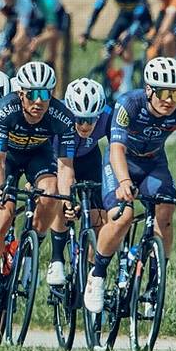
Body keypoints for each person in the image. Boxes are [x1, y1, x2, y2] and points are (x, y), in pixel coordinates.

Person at [83, 58, 176, 314]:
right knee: (122, 216)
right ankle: (97, 275)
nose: (170, 100)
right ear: (149, 89)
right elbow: (115, 147)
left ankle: (153, 282)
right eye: (163, 92)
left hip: (153, 163)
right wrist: (125, 181)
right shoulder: (128, 103)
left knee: (165, 210)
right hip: (121, 161)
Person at [0, 61, 75, 334]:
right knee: (3, 215)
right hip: (10, 160)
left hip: (38, 157)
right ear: (20, 94)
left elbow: (65, 166)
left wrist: (67, 200)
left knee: (52, 192)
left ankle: (31, 251)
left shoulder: (61, 116)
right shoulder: (7, 109)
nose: (39, 102)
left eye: (45, 94)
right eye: (32, 94)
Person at [50, 78, 112, 279]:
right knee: (62, 200)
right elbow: (65, 167)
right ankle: (57, 257)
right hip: (58, 158)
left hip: (89, 158)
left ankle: (90, 274)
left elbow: (118, 151)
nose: (85, 125)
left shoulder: (108, 117)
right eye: (79, 119)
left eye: (91, 120)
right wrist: (69, 199)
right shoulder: (61, 119)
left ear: (99, 115)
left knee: (100, 216)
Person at [80, 0, 152, 91]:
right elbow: (97, 10)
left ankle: (127, 84)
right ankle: (110, 81)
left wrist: (126, 38)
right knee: (108, 47)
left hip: (141, 21)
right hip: (124, 17)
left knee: (126, 42)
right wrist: (87, 31)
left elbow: (138, 19)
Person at [21, 0, 70, 76]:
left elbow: (53, 32)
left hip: (57, 14)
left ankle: (50, 77)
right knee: (27, 45)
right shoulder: (26, 3)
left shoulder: (45, 3)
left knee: (51, 51)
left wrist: (37, 41)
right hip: (40, 15)